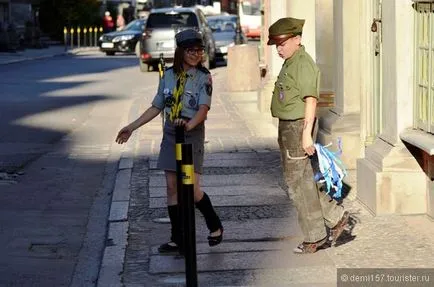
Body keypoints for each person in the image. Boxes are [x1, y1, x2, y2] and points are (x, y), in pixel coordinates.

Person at [115, 29, 223, 253]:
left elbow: (203, 110)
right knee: (171, 187)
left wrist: (189, 125)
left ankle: (214, 225)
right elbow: (157, 106)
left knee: (192, 189)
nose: (196, 54)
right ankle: (178, 238)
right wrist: (131, 127)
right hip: (171, 134)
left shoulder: (204, 77)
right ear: (180, 51)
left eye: (199, 50)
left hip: (191, 135)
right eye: (191, 50)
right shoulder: (169, 75)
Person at [267, 17, 349, 254]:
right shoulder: (292, 61)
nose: (279, 49)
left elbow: (311, 101)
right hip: (289, 127)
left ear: (297, 39)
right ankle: (336, 217)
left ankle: (315, 236)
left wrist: (305, 136)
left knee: (297, 185)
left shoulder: (303, 64)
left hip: (297, 127)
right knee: (301, 181)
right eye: (276, 45)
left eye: (283, 43)